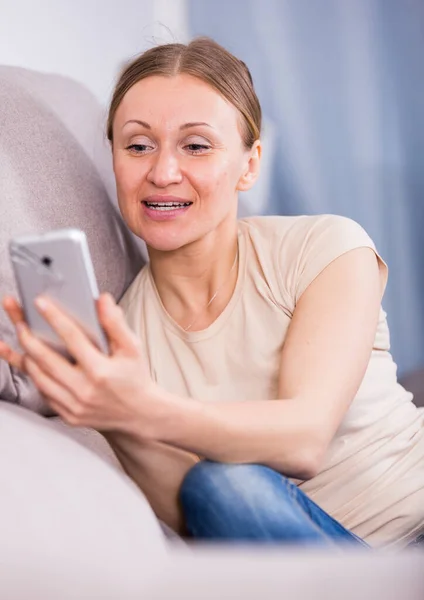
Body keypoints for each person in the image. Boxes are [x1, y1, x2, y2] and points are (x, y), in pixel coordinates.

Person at [0, 37, 423, 550]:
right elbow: (198, 513)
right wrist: (106, 412)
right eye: (138, 145)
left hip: (414, 528)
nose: (162, 173)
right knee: (219, 486)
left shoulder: (327, 246)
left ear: (249, 165)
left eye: (196, 146)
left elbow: (305, 438)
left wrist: (140, 408)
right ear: (113, 157)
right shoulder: (125, 340)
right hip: (305, 561)